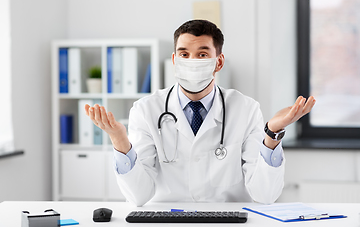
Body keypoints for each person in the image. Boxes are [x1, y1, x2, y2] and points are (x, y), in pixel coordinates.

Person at [85, 20, 315, 207]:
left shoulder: (245, 108)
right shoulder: (146, 110)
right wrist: (120, 141)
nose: (191, 61)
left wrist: (272, 134)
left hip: (227, 221)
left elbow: (265, 194)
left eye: (202, 55)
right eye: (184, 54)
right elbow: (138, 196)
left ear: (219, 62)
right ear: (174, 60)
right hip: (166, 221)